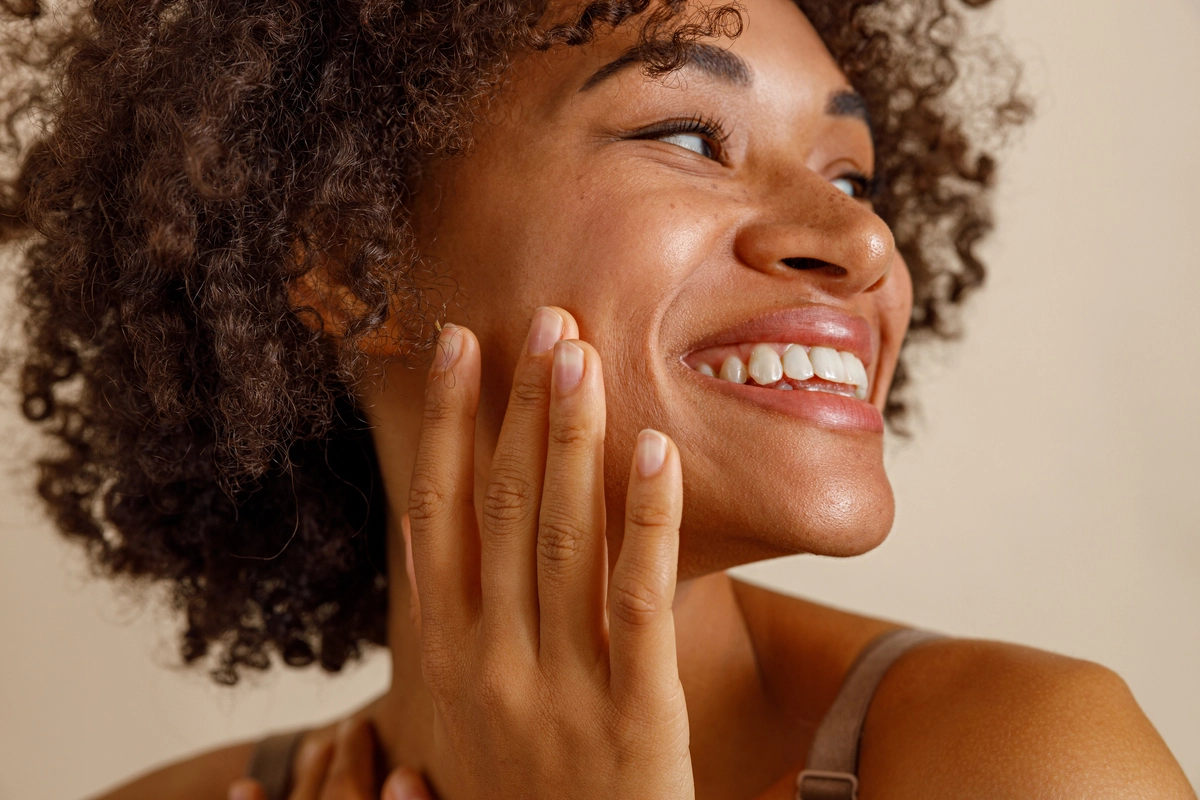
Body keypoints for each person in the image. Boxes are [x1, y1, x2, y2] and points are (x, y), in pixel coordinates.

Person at [1, 0, 1193, 797]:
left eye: (852, 174)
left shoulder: (1025, 760)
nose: (859, 239)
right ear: (355, 255)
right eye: (688, 132)